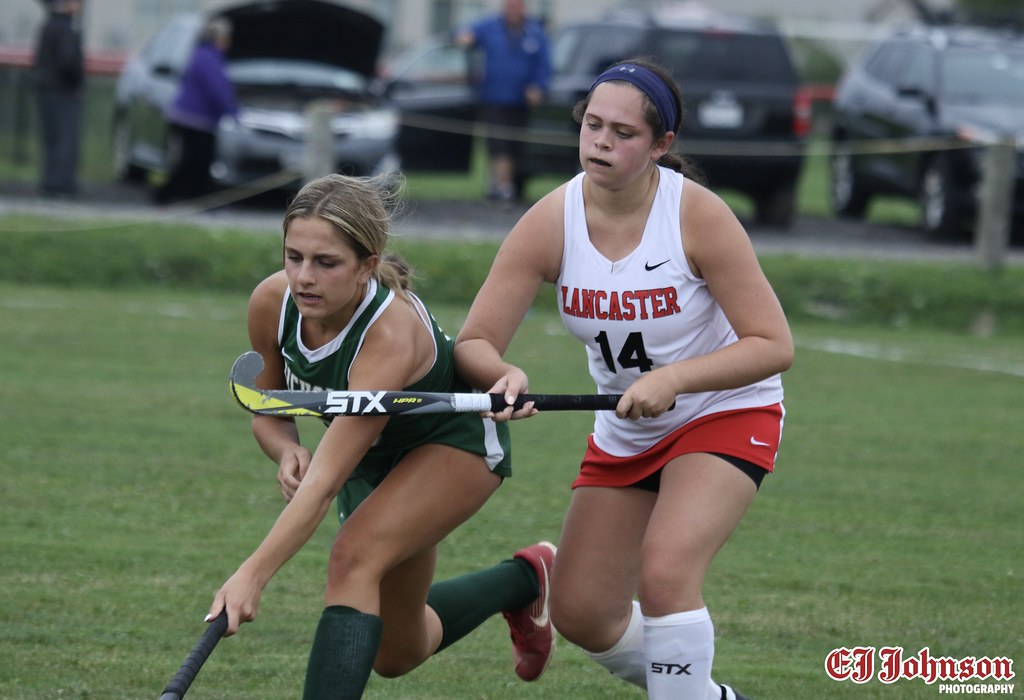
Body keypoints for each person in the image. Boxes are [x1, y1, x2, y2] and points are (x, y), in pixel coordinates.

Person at [453, 57, 794, 700]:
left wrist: (678, 380)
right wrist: (504, 375)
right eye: (591, 125)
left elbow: (773, 344)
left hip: (722, 410)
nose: (601, 143)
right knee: (583, 613)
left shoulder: (697, 215)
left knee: (665, 576)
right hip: (625, 431)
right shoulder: (550, 220)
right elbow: (475, 342)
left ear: (662, 145)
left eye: (623, 133)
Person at [204, 173, 556, 699]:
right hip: (367, 457)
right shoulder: (271, 304)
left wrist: (253, 574)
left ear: (368, 264)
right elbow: (268, 407)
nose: (304, 278)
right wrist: (286, 449)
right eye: (293, 256)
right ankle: (527, 577)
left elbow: (323, 484)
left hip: (449, 443)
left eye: (327, 263)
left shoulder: (387, 335)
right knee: (397, 652)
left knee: (353, 557)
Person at [456, 0, 551, 203]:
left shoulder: (534, 32)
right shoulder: (490, 27)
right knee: (498, 144)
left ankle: (502, 185)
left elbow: (544, 65)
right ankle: (503, 186)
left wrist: (538, 87)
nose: (513, 10)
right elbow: (463, 31)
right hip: (493, 98)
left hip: (520, 102)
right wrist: (464, 36)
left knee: (514, 146)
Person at [155, 17, 238, 205]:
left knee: (198, 160)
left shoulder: (204, 55)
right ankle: (167, 195)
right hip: (195, 120)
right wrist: (232, 110)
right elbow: (216, 89)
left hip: (197, 119)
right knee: (195, 161)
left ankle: (192, 196)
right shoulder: (208, 57)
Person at [33, 0, 84, 198]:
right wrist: (76, 83)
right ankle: (61, 185)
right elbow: (68, 61)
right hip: (63, 90)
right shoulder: (65, 28)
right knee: (65, 138)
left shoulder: (48, 25)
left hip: (47, 89)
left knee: (52, 139)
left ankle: (50, 182)